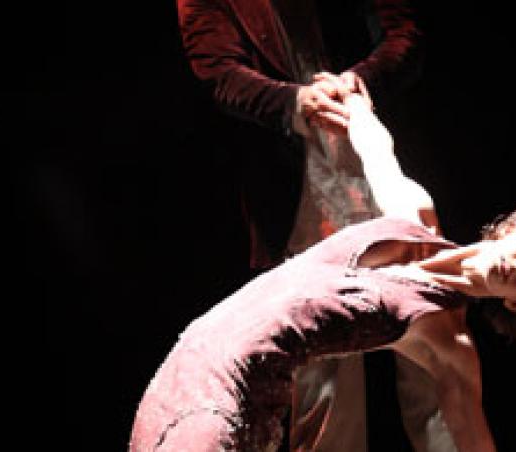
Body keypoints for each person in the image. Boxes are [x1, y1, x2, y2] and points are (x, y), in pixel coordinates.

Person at [128, 92, 516, 451]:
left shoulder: (450, 344)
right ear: (511, 231)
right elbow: (377, 150)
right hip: (198, 351)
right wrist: (353, 99)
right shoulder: (413, 211)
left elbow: (473, 439)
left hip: (240, 390)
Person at [176, 2, 427, 449]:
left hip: (386, 163)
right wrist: (295, 102)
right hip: (300, 189)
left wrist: (361, 80)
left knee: (433, 355)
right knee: (327, 385)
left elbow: (404, 32)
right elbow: (218, 72)